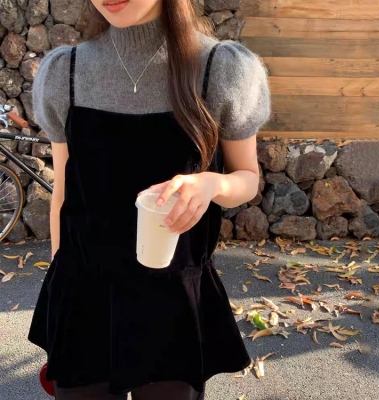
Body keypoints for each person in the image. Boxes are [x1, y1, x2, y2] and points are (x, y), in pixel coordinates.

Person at [28, 0, 271, 399]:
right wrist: (58, 291)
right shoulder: (63, 72)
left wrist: (211, 185)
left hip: (173, 303)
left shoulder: (222, 68)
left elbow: (247, 178)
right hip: (83, 299)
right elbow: (65, 195)